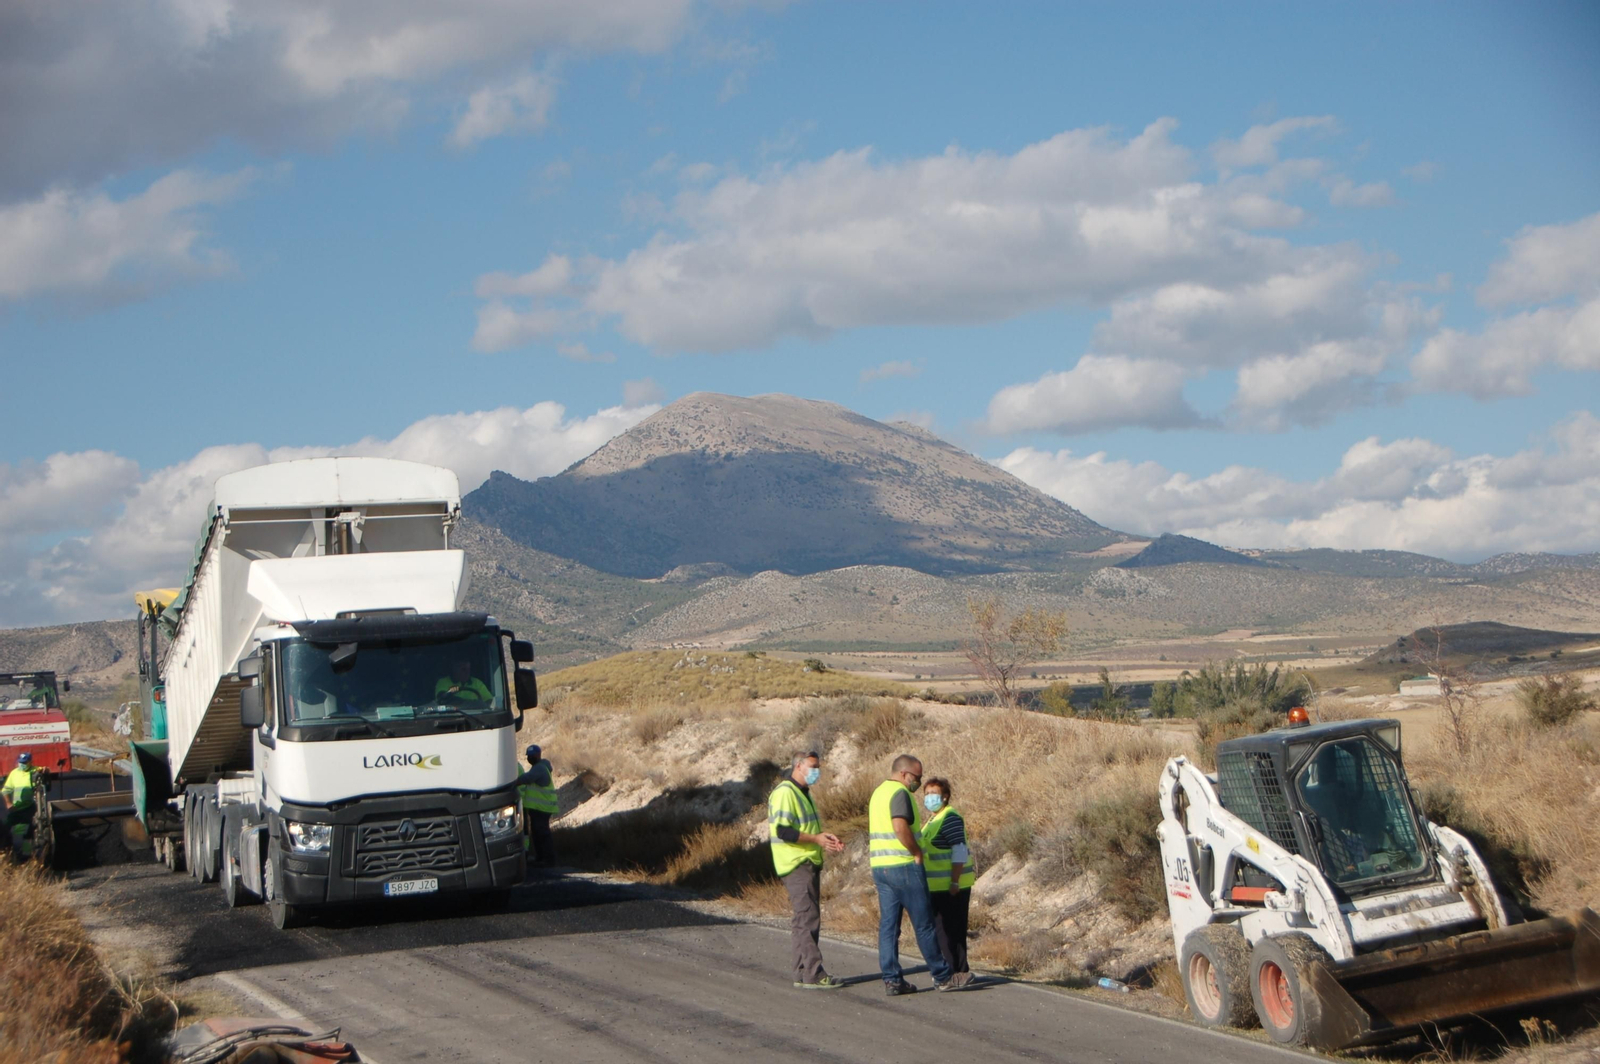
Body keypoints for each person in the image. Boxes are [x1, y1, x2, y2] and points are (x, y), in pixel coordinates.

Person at [869, 754, 971, 994]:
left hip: (880, 867)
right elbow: (899, 827)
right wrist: (915, 853)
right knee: (924, 925)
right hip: (903, 865)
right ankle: (942, 976)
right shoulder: (900, 793)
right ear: (904, 774)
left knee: (888, 927)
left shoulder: (878, 793)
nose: (918, 782)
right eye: (917, 777)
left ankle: (892, 979)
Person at [768, 750, 846, 990]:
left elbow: (807, 829)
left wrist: (825, 840)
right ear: (798, 766)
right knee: (808, 918)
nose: (816, 771)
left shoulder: (803, 794)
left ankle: (802, 971)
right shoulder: (785, 793)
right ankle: (814, 972)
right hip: (796, 863)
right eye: (812, 766)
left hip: (806, 861)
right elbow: (783, 831)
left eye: (818, 766)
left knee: (803, 919)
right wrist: (816, 839)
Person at [920, 777, 976, 980]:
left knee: (952, 931)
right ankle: (956, 970)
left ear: (945, 796)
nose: (929, 798)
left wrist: (954, 880)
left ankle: (957, 971)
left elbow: (959, 851)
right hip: (937, 886)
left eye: (933, 793)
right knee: (943, 931)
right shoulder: (932, 820)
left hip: (952, 886)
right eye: (926, 794)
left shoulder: (950, 817)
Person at [516, 744, 558, 866]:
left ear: (538, 755)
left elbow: (527, 779)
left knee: (543, 834)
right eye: (528, 756)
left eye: (532, 755)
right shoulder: (538, 767)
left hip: (542, 808)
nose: (530, 758)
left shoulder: (539, 769)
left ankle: (549, 860)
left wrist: (514, 782)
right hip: (538, 808)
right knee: (537, 833)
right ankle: (541, 858)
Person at [3, 752, 38, 859]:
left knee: (28, 831)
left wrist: (45, 771)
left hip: (29, 807)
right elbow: (6, 790)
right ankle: (7, 853)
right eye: (21, 762)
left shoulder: (34, 771)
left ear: (30, 762)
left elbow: (44, 771)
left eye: (25, 763)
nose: (22, 765)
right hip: (16, 807)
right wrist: (9, 803)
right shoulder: (14, 773)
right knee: (6, 828)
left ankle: (27, 855)